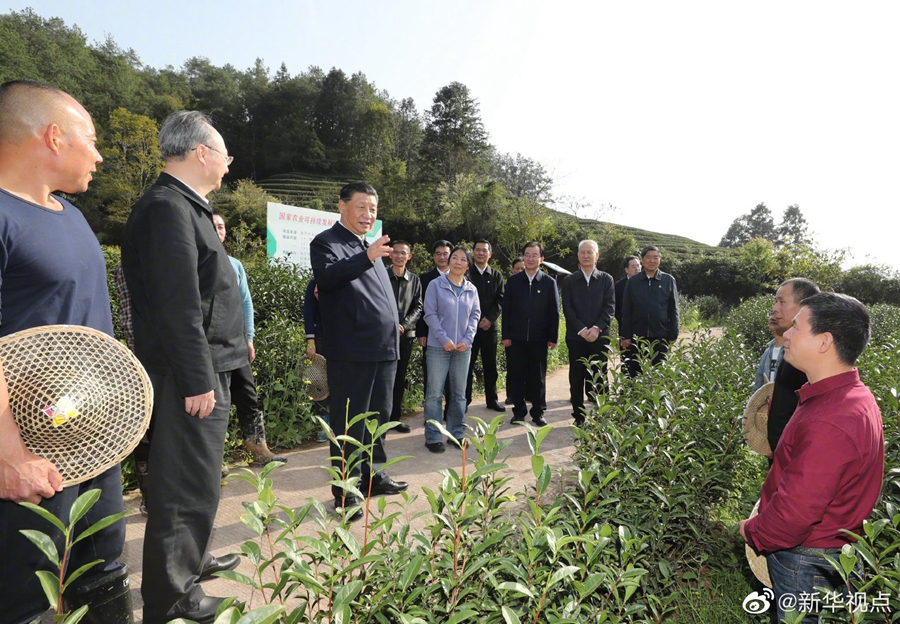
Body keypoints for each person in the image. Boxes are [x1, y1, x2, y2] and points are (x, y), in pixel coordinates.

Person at [0, 79, 131, 624]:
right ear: (53, 136)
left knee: (103, 575)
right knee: (29, 594)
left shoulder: (71, 216)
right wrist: (8, 453)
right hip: (29, 452)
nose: (99, 155)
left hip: (91, 439)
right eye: (91, 138)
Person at [122, 110, 246, 623]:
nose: (227, 164)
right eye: (224, 153)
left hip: (202, 367)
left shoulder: (184, 207)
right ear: (201, 153)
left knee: (197, 482)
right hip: (187, 375)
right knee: (183, 488)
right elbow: (178, 305)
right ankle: (172, 598)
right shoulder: (167, 209)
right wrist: (198, 379)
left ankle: (186, 571)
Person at [740, 293, 883, 624]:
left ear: (824, 342)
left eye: (797, 328)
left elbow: (794, 515)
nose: (786, 335)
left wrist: (750, 530)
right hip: (831, 555)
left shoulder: (831, 419)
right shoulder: (848, 397)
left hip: (807, 565)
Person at [310, 181, 408, 522]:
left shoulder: (370, 246)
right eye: (362, 207)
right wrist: (365, 256)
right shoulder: (327, 243)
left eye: (373, 209)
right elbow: (328, 280)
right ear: (342, 206)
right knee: (349, 425)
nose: (368, 215)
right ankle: (345, 492)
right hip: (352, 352)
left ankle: (373, 476)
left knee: (378, 418)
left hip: (383, 350)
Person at [212, 212, 287, 465]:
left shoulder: (235, 264)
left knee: (248, 396)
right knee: (215, 404)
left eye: (222, 226)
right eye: (213, 226)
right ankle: (214, 460)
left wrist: (250, 338)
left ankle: (258, 447)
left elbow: (246, 302)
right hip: (211, 347)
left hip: (238, 343)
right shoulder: (196, 261)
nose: (218, 230)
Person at [423, 246, 481, 452]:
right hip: (439, 347)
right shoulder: (435, 285)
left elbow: (475, 316)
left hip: (463, 348)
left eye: (463, 259)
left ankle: (456, 434)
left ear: (468, 265)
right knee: (434, 394)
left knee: (459, 394)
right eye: (454, 257)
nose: (457, 262)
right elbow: (429, 313)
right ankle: (433, 436)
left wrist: (468, 338)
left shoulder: (471, 289)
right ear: (449, 261)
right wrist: (443, 338)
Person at [502, 242, 560, 426]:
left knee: (538, 376)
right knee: (517, 375)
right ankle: (519, 411)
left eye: (535, 255)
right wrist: (506, 334)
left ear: (541, 259)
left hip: (539, 338)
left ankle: (538, 412)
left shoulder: (549, 282)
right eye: (527, 254)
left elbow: (554, 312)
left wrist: (553, 337)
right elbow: (507, 310)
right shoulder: (513, 281)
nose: (530, 258)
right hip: (516, 338)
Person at [764, 278, 820, 456]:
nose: (775, 308)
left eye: (781, 302)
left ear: (803, 307)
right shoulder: (792, 350)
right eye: (775, 302)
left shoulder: (810, 355)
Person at [561, 240, 615, 425]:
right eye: (582, 252)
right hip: (576, 337)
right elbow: (567, 309)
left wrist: (596, 328)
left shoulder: (606, 279)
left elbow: (609, 307)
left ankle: (602, 416)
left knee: (599, 374)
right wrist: (582, 330)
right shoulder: (569, 281)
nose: (585, 255)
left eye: (589, 252)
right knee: (576, 376)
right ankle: (579, 416)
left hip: (599, 336)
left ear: (597, 255)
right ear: (578, 256)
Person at [619, 246, 679, 377]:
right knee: (635, 373)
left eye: (655, 257)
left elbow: (673, 309)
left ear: (660, 259)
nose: (652, 260)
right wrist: (626, 335)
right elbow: (627, 309)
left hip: (660, 336)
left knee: (660, 373)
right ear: (642, 260)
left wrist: (673, 333)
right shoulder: (634, 281)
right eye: (648, 257)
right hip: (637, 336)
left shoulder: (668, 280)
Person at [466, 240, 506, 412]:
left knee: (490, 366)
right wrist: (474, 321)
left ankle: (492, 400)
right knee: (466, 365)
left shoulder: (496, 276)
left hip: (490, 328)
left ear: (490, 254)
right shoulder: (466, 273)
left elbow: (501, 300)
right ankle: (464, 400)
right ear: (473, 253)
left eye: (484, 250)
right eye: (478, 250)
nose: (481, 253)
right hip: (468, 329)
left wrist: (489, 319)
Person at [387, 240, 423, 433]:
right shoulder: (381, 276)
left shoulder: (415, 280)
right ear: (390, 255)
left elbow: (418, 306)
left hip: (405, 336)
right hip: (382, 336)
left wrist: (405, 325)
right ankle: (380, 419)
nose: (400, 256)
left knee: (400, 377)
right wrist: (390, 325)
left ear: (409, 257)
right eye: (396, 252)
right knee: (383, 378)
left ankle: (395, 418)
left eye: (404, 253)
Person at [417, 240, 453, 416]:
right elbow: (420, 307)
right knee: (432, 377)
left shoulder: (460, 277)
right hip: (432, 336)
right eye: (438, 253)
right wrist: (421, 333)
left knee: (453, 379)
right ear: (433, 257)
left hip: (454, 337)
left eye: (445, 253)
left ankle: (450, 412)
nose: (442, 257)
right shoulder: (424, 279)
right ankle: (431, 414)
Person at [303, 277, 330, 442]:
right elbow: (308, 311)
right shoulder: (315, 284)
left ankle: (340, 423)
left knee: (341, 381)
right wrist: (310, 341)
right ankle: (323, 422)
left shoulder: (347, 280)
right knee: (319, 382)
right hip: (320, 339)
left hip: (344, 340)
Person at [504, 256, 526, 406]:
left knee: (529, 367)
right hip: (513, 333)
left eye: (522, 268)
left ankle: (527, 394)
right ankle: (511, 395)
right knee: (513, 367)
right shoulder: (511, 284)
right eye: (517, 268)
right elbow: (506, 310)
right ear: (512, 270)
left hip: (531, 333)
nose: (519, 271)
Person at [613, 255, 641, 326]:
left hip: (643, 326)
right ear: (626, 270)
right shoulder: (618, 286)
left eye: (638, 266)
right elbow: (615, 307)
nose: (637, 269)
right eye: (633, 267)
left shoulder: (647, 283)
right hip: (625, 325)